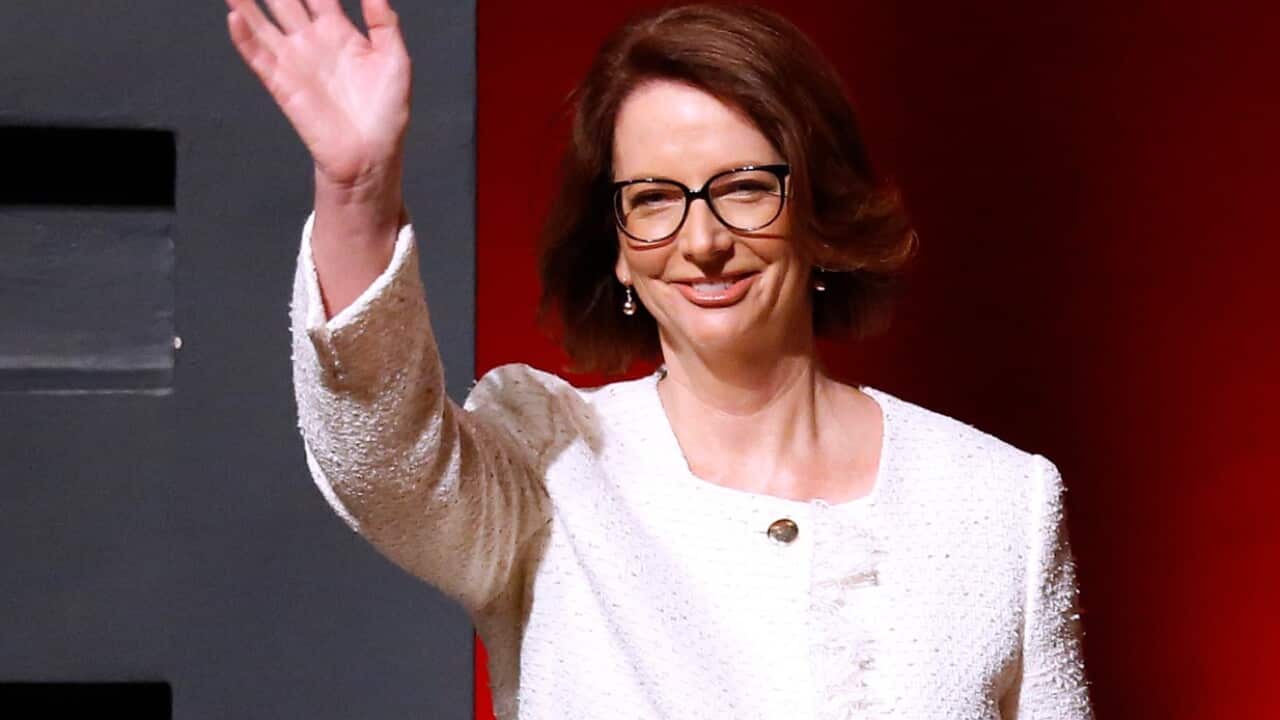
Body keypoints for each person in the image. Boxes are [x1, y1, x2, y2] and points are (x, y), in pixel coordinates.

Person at [226, 0, 1094, 717]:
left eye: (745, 188)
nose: (702, 241)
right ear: (616, 245)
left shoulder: (997, 503)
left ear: (819, 208)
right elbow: (380, 463)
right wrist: (357, 193)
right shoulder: (551, 462)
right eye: (653, 199)